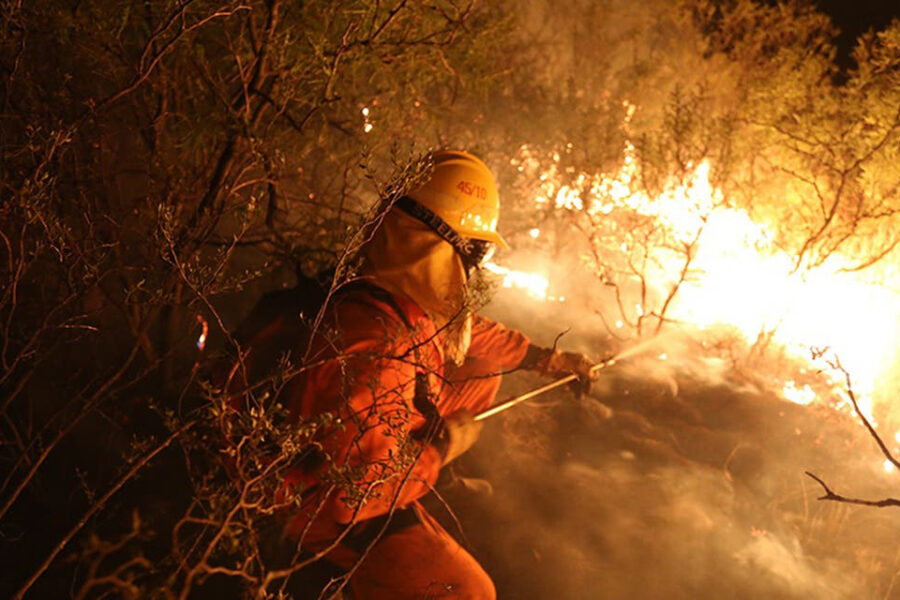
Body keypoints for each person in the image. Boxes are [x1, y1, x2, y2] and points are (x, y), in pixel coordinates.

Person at [233, 150, 596, 599]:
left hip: (335, 438)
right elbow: (354, 495)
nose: (474, 264)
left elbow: (466, 333)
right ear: (441, 244)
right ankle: (339, 568)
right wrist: (440, 448)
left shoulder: (375, 286)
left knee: (483, 371)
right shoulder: (382, 348)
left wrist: (544, 358)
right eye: (476, 249)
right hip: (314, 505)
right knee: (470, 591)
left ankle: (414, 473)